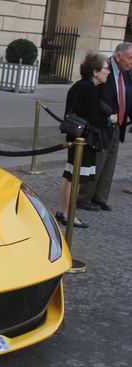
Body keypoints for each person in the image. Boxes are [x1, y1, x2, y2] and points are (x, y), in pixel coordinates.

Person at [56, 53, 116, 228]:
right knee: (75, 178)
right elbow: (94, 116)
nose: (108, 72)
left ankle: (62, 211)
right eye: (106, 68)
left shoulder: (80, 85)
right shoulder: (88, 88)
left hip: (75, 136)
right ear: (95, 71)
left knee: (69, 175)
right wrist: (109, 119)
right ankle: (68, 214)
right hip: (83, 139)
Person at [77, 42, 132, 212]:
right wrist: (103, 118)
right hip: (101, 124)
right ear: (118, 57)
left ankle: (100, 197)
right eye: (130, 58)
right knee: (97, 161)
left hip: (118, 124)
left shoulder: (127, 73)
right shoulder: (103, 68)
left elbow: (128, 97)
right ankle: (83, 198)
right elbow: (93, 98)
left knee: (109, 163)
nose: (131, 62)